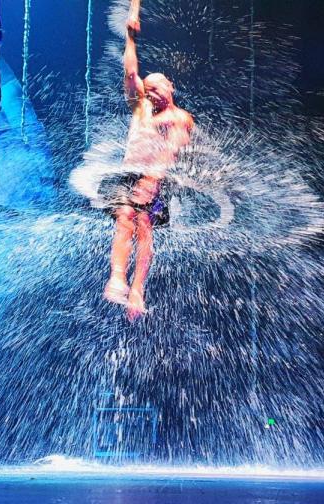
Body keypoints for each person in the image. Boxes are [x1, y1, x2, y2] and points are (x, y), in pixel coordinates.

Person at [103, 0, 194, 321]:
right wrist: (131, 35)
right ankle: (116, 276)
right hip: (130, 174)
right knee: (124, 216)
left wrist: (151, 181)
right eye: (148, 88)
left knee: (142, 225)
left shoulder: (179, 117)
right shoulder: (140, 107)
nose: (152, 92)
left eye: (158, 88)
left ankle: (138, 288)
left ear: (171, 87)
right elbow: (130, 70)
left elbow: (171, 151)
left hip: (155, 177)